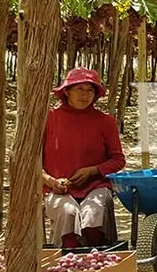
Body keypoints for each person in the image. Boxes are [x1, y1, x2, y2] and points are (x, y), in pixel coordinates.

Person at [42, 67, 126, 248]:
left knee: (92, 216)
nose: (85, 94)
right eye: (79, 89)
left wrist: (93, 171)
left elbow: (118, 160)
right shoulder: (48, 119)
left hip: (96, 187)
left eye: (90, 90)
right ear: (66, 91)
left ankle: (97, 262)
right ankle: (67, 262)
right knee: (68, 213)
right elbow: (31, 162)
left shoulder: (105, 121)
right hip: (56, 190)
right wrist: (51, 181)